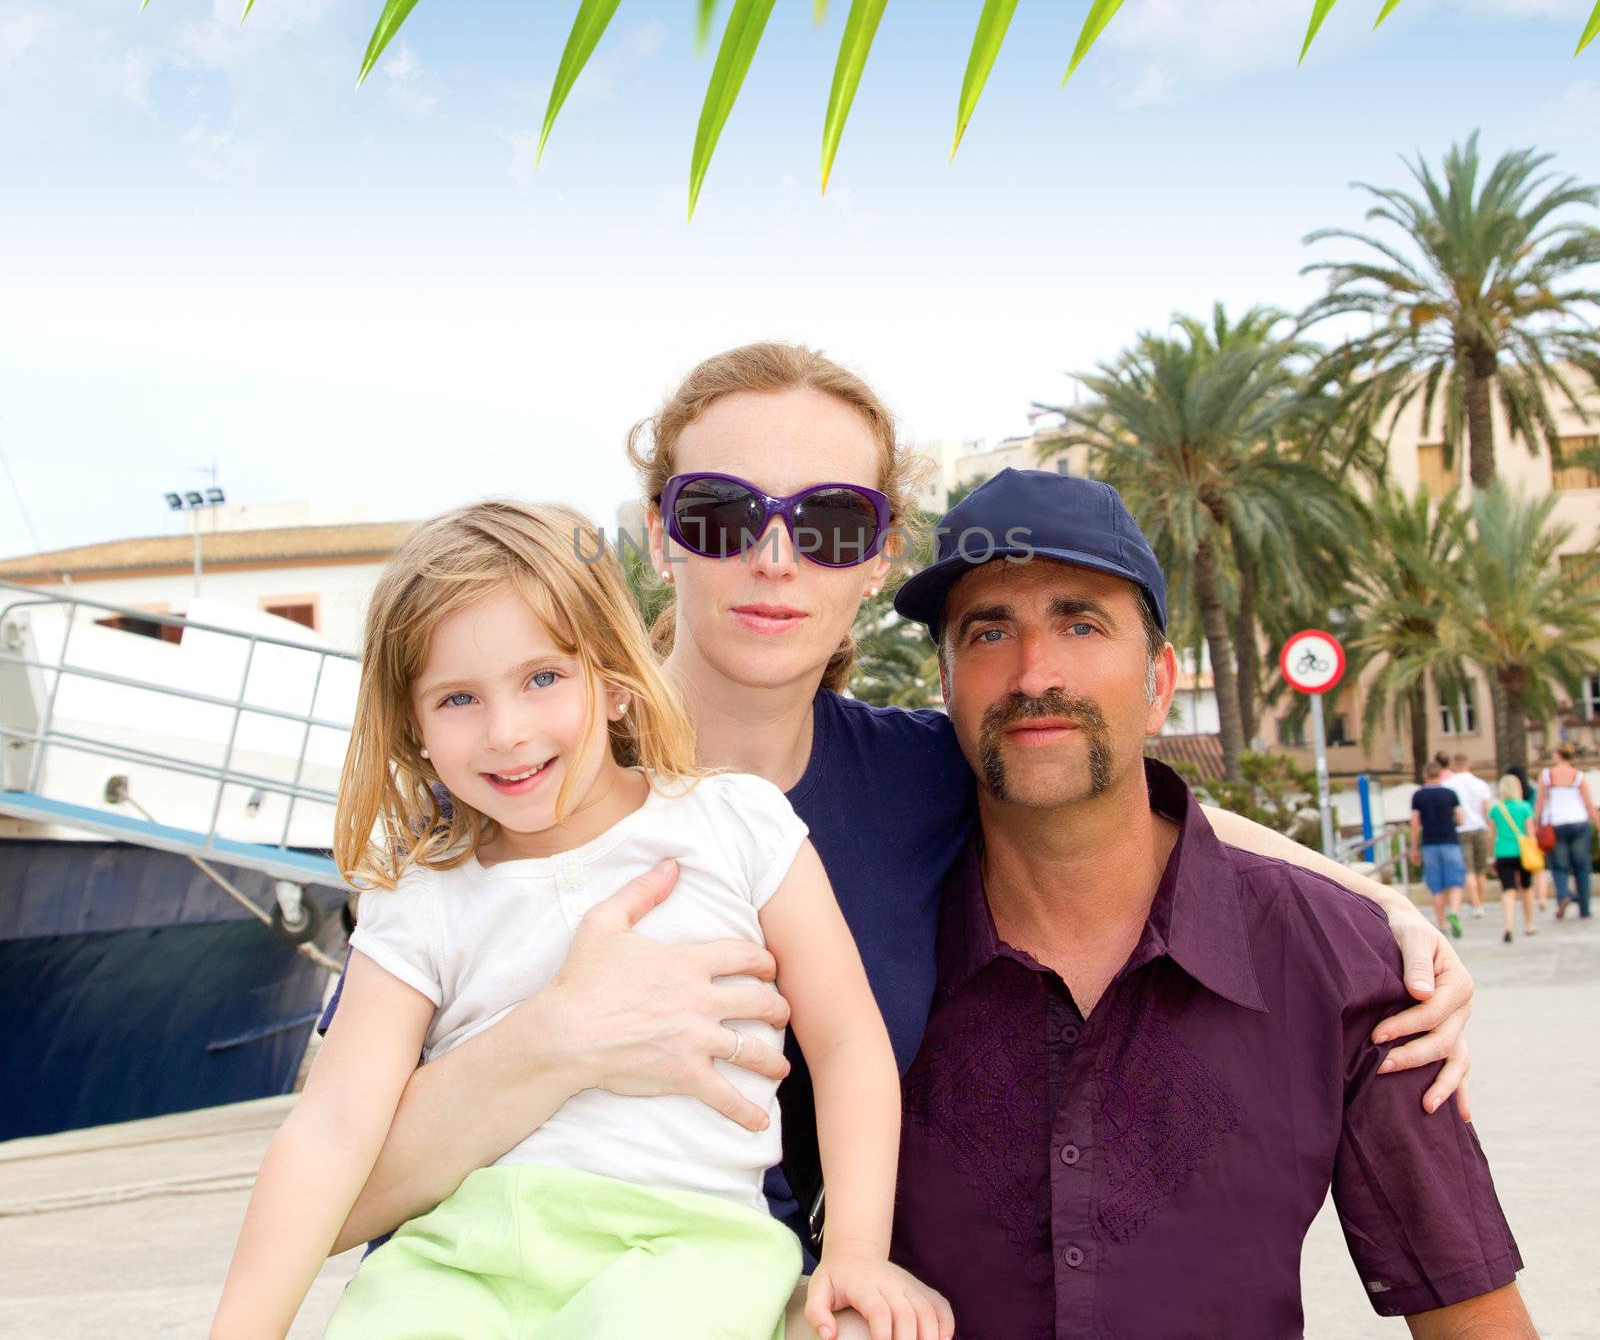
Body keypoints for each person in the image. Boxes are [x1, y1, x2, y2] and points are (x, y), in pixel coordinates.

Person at [330, 344, 1476, 1334]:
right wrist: (557, 1039)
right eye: (724, 513)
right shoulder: (509, 790)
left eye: (829, 522)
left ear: (875, 561)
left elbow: (1147, 795)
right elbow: (330, 1197)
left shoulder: (922, 775)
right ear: (661, 535)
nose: (775, 558)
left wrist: (1393, 913)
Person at [211, 501, 952, 1340]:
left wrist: (857, 1249)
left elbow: (849, 1042)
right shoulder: (421, 896)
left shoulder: (734, 823)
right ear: (413, 731)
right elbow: (332, 1127)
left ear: (611, 681)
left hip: (684, 1247)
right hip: (460, 1254)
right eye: (457, 698)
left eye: (542, 678)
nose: (507, 732)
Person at [888, 470, 1532, 1338]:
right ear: (947, 685)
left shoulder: (1340, 964)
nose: (1034, 672)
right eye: (989, 631)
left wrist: (1382, 907)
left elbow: (1474, 1318)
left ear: (1159, 684)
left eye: (1081, 622)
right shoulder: (861, 934)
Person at [1534, 742, 1598, 920]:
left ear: (1558, 755)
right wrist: (1598, 824)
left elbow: (1539, 803)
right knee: (1582, 866)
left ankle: (1563, 895)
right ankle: (1584, 907)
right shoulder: (1579, 776)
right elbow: (1589, 805)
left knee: (1559, 865)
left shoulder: (1547, 776)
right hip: (1578, 822)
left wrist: (1537, 824)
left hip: (1556, 824)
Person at [1413, 761, 1466, 939]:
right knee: (1456, 882)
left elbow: (1414, 822)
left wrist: (1414, 847)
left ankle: (1442, 924)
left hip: (1429, 843)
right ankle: (1455, 911)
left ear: (1425, 775)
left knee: (1435, 886)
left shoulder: (1418, 796)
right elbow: (1460, 817)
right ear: (1441, 775)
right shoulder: (1450, 794)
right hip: (1450, 840)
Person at [1443, 753, 1495, 918]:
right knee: (1481, 869)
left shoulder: (1448, 785)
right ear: (1469, 765)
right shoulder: (1481, 784)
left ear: (1454, 766)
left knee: (1468, 870)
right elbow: (1488, 810)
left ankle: (1476, 904)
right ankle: (1480, 902)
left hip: (1460, 829)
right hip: (1480, 827)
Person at [1489, 774, 1538, 944]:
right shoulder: (1525, 807)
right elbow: (1531, 833)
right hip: (1523, 853)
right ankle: (1529, 924)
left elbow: (1492, 835)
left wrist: (1491, 856)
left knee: (1508, 890)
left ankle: (1508, 926)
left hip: (1503, 852)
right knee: (1526, 887)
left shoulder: (1496, 809)